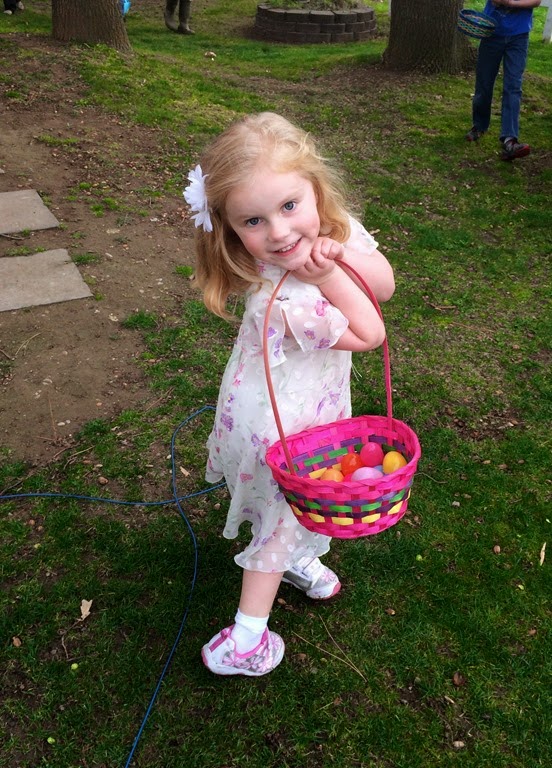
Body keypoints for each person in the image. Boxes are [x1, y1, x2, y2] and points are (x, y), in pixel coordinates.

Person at [184, 112, 395, 676]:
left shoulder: (332, 232)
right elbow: (370, 333)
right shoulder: (284, 299)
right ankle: (246, 638)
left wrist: (339, 253)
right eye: (254, 221)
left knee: (298, 507)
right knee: (282, 513)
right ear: (231, 230)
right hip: (281, 424)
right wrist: (325, 276)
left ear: (316, 192)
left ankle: (299, 561)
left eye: (289, 206)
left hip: (310, 406)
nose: (279, 233)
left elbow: (384, 284)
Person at [466, 0, 541, 161]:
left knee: (513, 86)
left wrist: (511, 3)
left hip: (519, 36)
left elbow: (536, 1)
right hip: (492, 31)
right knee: (484, 82)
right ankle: (479, 125)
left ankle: (509, 140)